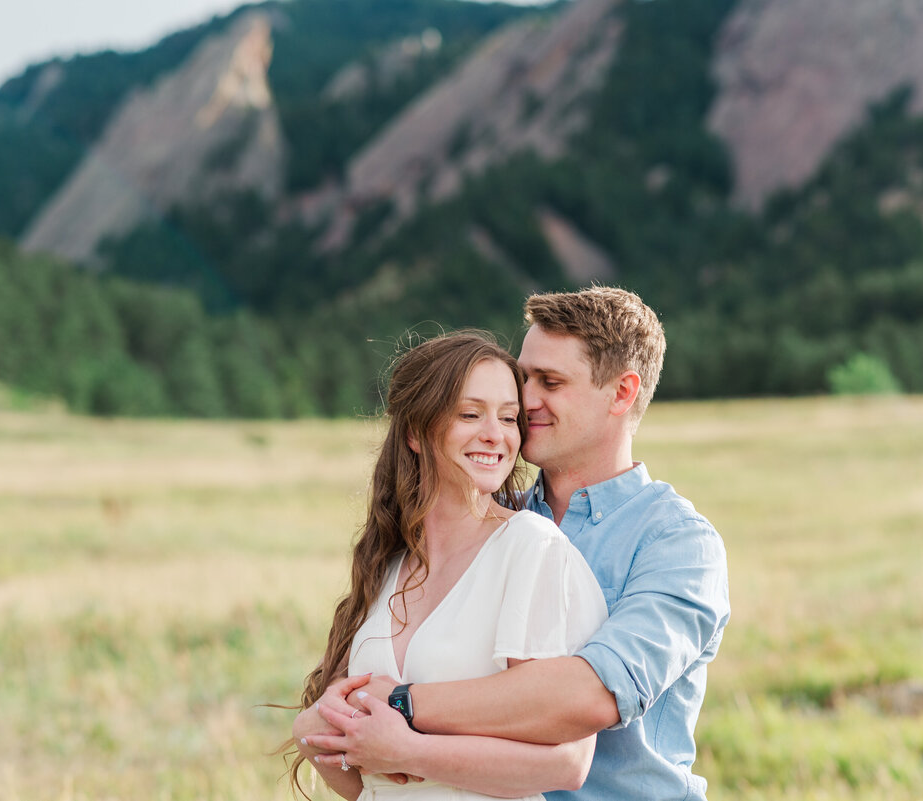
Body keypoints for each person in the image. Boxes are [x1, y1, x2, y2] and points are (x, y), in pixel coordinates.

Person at [309, 287, 731, 801]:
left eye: (550, 382)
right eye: (524, 376)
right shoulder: (479, 520)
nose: (526, 400)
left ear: (621, 393)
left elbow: (589, 696)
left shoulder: (678, 544)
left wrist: (400, 705)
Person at [290, 330, 610, 800]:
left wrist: (408, 752)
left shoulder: (530, 547)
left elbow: (566, 764)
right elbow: (355, 769)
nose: (495, 434)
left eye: (508, 417)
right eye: (469, 414)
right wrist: (308, 727)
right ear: (416, 433)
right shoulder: (390, 563)